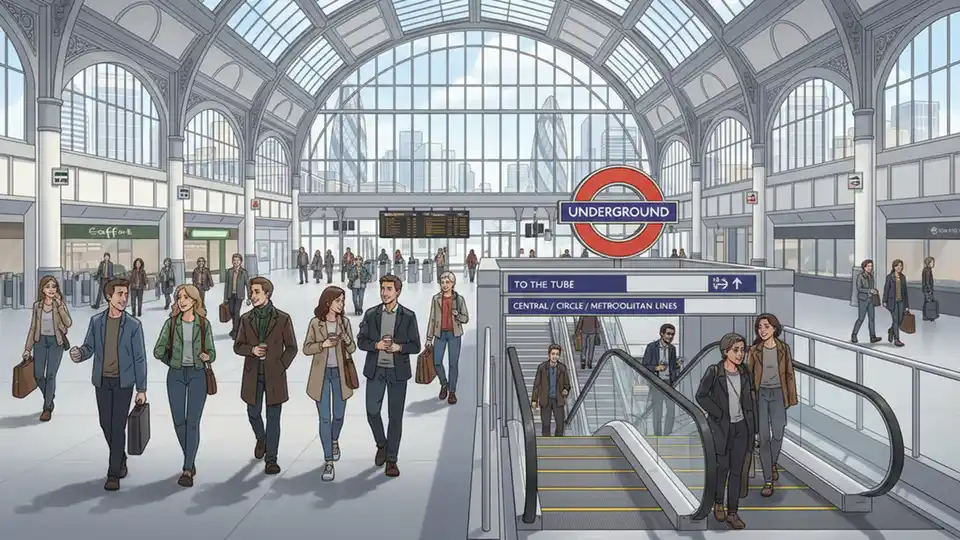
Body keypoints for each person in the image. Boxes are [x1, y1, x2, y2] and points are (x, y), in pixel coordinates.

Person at [69, 279, 148, 491]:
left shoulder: (133, 325)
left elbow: (140, 358)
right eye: (120, 294)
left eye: (126, 294)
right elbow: (89, 347)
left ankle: (113, 473)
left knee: (118, 425)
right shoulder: (96, 322)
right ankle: (120, 457)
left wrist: (141, 389)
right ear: (108, 297)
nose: (124, 298)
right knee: (106, 424)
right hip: (102, 381)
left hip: (124, 382)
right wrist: (79, 354)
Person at [357, 275, 421, 478]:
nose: (384, 293)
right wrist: (375, 345)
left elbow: (416, 346)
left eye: (389, 289)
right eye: (382, 288)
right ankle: (381, 444)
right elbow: (361, 341)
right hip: (376, 370)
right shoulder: (371, 314)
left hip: (397, 372)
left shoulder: (408, 316)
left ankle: (391, 460)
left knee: (395, 417)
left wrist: (398, 347)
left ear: (398, 292)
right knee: (372, 412)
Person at [153, 284, 216, 488]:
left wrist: (208, 356)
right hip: (176, 375)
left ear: (194, 301)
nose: (181, 301)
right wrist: (172, 361)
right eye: (179, 297)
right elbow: (158, 350)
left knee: (192, 423)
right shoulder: (171, 324)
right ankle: (190, 456)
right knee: (179, 421)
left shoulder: (204, 324)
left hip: (198, 374)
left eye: (185, 297)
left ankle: (188, 467)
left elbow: (212, 352)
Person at [234, 277, 298, 475]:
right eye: (251, 292)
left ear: (267, 294)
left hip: (274, 373)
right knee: (253, 412)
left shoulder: (282, 318)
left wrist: (280, 366)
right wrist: (251, 350)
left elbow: (292, 347)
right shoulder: (246, 319)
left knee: (273, 417)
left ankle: (272, 459)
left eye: (256, 292)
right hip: (253, 373)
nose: (252, 296)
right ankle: (261, 438)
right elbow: (238, 346)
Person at [695, 332, 756, 530]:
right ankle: (718, 502)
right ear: (725, 351)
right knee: (722, 469)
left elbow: (750, 401)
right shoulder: (715, 372)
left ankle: (732, 512)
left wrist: (753, 429)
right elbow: (701, 396)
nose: (740, 354)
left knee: (737, 472)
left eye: (742, 350)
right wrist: (719, 413)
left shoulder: (745, 372)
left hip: (742, 428)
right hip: (722, 428)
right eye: (735, 350)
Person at [304, 286, 357, 482]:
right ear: (328, 302)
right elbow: (306, 349)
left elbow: (352, 348)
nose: (341, 304)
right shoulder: (315, 323)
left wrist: (344, 337)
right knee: (325, 418)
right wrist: (323, 345)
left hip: (341, 375)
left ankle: (334, 440)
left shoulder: (345, 322)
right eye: (338, 301)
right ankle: (328, 461)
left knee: (339, 415)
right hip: (322, 375)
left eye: (343, 301)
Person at [747, 313, 798, 497]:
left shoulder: (783, 348)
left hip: (778, 394)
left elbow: (789, 374)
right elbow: (749, 376)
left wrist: (791, 398)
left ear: (774, 329)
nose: (762, 330)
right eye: (759, 327)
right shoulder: (754, 350)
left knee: (778, 433)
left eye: (766, 326)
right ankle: (768, 480)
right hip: (760, 396)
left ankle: (772, 463)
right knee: (764, 438)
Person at [22, 275, 72, 421]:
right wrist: (27, 348)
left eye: (53, 286)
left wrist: (61, 306)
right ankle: (50, 395)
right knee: (38, 375)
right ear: (42, 289)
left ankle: (47, 407)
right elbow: (33, 327)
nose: (51, 289)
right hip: (40, 341)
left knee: (50, 375)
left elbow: (68, 323)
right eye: (48, 286)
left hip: (56, 342)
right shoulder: (37, 306)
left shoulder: (59, 305)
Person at [426, 271, 470, 405]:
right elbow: (432, 318)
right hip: (439, 334)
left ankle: (452, 391)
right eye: (442, 282)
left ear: (453, 284)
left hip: (454, 334)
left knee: (453, 364)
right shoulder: (436, 299)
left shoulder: (459, 299)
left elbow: (466, 318)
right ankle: (444, 383)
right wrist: (429, 337)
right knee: (437, 361)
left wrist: (457, 315)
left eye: (448, 282)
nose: (445, 285)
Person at [641, 323, 680, 435]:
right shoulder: (651, 347)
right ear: (661, 334)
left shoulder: (672, 349)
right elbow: (644, 366)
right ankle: (658, 435)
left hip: (669, 384)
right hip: (657, 383)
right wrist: (656, 368)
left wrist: (676, 366)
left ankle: (667, 434)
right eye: (668, 334)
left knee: (671, 410)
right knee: (657, 411)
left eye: (672, 334)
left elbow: (672, 366)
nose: (670, 337)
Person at [531, 344, 570, 436]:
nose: (555, 356)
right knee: (545, 424)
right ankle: (546, 442)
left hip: (558, 400)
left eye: (557, 354)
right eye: (553, 354)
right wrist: (534, 399)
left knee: (560, 424)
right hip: (545, 399)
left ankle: (559, 443)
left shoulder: (562, 368)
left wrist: (566, 390)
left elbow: (567, 384)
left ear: (559, 356)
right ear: (549, 355)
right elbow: (537, 384)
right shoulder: (542, 367)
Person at [851, 259, 881, 344]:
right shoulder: (860, 276)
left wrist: (874, 291)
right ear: (864, 267)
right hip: (863, 300)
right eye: (868, 266)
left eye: (871, 266)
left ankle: (873, 337)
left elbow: (871, 287)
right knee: (861, 318)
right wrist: (869, 291)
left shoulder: (871, 276)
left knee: (872, 319)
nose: (870, 268)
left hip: (871, 300)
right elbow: (859, 288)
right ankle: (854, 335)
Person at [882, 259, 910, 347]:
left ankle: (891, 330)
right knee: (895, 320)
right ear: (894, 267)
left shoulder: (903, 277)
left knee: (900, 320)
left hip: (901, 301)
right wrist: (884, 300)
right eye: (897, 265)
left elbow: (905, 292)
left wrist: (907, 305)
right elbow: (886, 289)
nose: (899, 267)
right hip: (892, 301)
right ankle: (897, 339)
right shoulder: (890, 277)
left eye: (901, 266)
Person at [223, 253, 249, 339]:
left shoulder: (244, 272)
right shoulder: (229, 271)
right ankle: (235, 329)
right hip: (230, 295)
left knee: (236, 312)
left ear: (241, 262)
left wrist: (249, 297)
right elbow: (226, 285)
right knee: (232, 312)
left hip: (239, 296)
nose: (236, 262)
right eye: (234, 260)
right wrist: (225, 298)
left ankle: (236, 332)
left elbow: (248, 285)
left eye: (238, 260)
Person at [922, 256, 937, 321]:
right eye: (932, 262)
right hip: (928, 290)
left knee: (926, 302)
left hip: (925, 289)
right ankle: (929, 316)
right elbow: (928, 282)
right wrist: (930, 290)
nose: (933, 264)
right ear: (929, 263)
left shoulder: (925, 269)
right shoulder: (928, 270)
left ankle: (926, 316)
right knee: (929, 303)